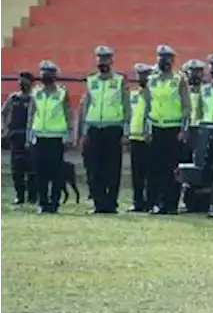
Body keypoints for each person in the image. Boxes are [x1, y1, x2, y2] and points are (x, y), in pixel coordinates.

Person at [79, 45, 130, 214]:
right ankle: (98, 203)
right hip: (94, 129)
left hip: (113, 129)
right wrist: (84, 131)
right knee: (94, 168)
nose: (102, 62)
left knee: (112, 168)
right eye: (100, 59)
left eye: (106, 59)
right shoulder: (91, 80)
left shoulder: (119, 80)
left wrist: (126, 131)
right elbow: (86, 107)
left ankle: (111, 203)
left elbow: (126, 106)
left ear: (111, 61)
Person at [147, 45, 191, 215]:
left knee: (172, 169)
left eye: (167, 58)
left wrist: (184, 129)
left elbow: (187, 107)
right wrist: (147, 129)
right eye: (161, 57)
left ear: (172, 61)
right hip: (157, 127)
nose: (163, 61)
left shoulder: (179, 80)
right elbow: (148, 107)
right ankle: (158, 203)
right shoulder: (152, 80)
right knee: (156, 169)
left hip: (173, 129)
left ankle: (171, 204)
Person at [27, 60, 75, 214]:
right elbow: (32, 113)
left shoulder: (62, 92)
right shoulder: (36, 92)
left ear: (55, 75)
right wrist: (29, 136)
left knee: (56, 172)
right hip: (40, 137)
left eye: (49, 73)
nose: (45, 75)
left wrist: (69, 135)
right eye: (43, 72)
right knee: (40, 173)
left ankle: (54, 203)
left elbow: (68, 113)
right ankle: (43, 202)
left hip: (56, 138)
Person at [2, 71, 35, 205]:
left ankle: (33, 196)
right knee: (16, 168)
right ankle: (19, 195)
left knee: (32, 168)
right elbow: (3, 112)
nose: (22, 85)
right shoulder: (13, 98)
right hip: (15, 136)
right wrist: (4, 128)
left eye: (25, 83)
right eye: (20, 83)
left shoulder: (34, 98)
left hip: (29, 135)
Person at [126, 64, 153, 213]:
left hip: (148, 138)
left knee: (150, 173)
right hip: (135, 137)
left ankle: (149, 202)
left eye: (144, 75)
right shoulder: (133, 94)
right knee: (136, 174)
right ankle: (137, 202)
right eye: (139, 75)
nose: (141, 78)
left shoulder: (154, 94)